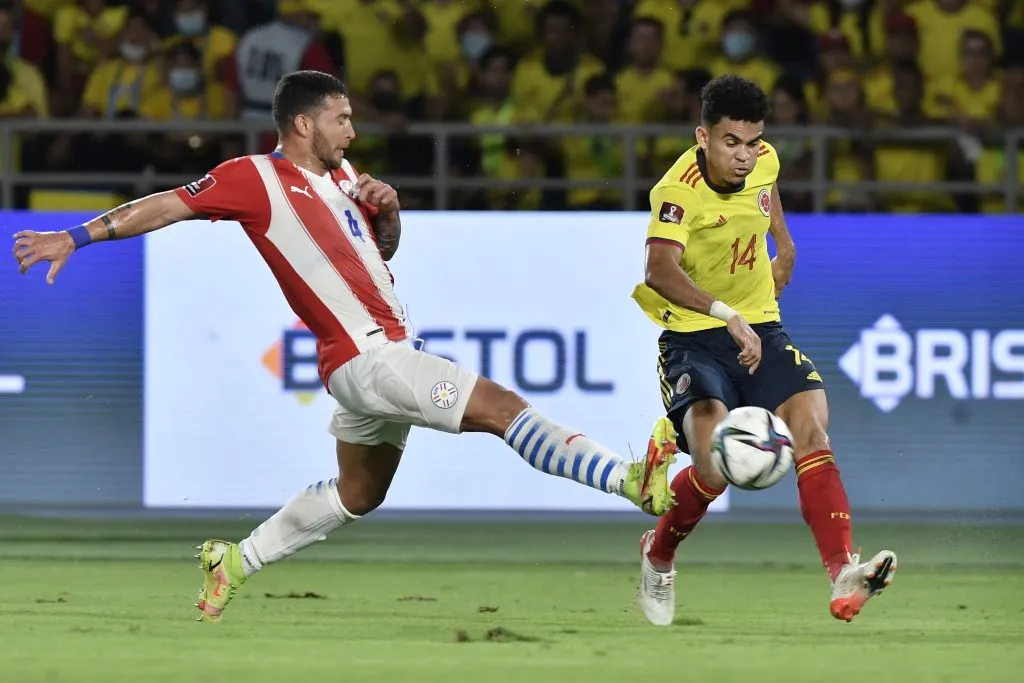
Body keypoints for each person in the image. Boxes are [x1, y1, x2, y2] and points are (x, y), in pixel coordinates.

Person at [12, 70, 676, 623]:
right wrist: (76, 236)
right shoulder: (253, 178)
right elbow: (168, 203)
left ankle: (235, 559)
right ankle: (627, 479)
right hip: (370, 356)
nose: (352, 131)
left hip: (366, 361)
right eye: (342, 118)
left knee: (360, 490)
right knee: (502, 408)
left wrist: (387, 215)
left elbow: (374, 258)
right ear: (303, 123)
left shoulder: (344, 177)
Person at [629, 74, 897, 626]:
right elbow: (658, 270)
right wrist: (726, 316)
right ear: (703, 136)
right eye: (732, 143)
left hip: (763, 328)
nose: (746, 156)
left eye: (754, 142)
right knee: (714, 466)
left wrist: (787, 245)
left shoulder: (766, 161)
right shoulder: (676, 192)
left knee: (812, 433)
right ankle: (658, 556)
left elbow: (766, 194)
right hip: (693, 339)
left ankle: (842, 571)